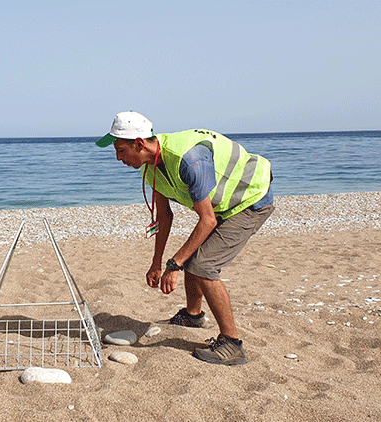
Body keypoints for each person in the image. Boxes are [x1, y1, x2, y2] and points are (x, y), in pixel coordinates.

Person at [96, 111, 274, 366]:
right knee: (193, 255)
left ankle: (232, 344)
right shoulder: (150, 169)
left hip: (251, 198)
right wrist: (157, 262)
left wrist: (174, 265)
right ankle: (193, 316)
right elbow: (164, 216)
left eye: (121, 150)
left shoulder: (189, 160)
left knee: (203, 266)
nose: (118, 158)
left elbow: (208, 221)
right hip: (223, 206)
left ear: (139, 143)